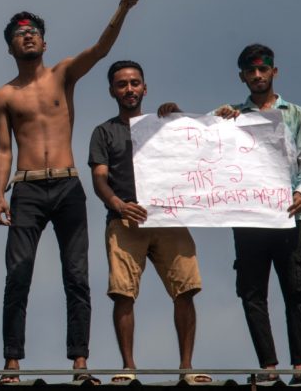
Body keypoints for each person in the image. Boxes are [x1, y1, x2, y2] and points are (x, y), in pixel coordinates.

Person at [0, 0, 139, 383]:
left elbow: (101, 49)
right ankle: (12, 364)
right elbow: (3, 148)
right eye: (20, 33)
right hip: (26, 188)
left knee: (76, 275)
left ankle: (80, 364)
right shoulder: (3, 95)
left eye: (34, 31)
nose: (28, 36)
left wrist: (122, 9)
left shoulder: (63, 74)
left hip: (68, 185)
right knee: (18, 273)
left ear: (44, 40)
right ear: (10, 47)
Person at [207, 44, 301, 384]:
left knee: (295, 291)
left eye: (263, 69)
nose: (257, 75)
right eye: (250, 71)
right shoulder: (230, 115)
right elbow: (196, 142)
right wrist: (212, 119)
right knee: (253, 292)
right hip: (249, 219)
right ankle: (269, 368)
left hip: (287, 217)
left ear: (274, 71)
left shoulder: (297, 114)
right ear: (241, 76)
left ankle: (300, 369)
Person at [89, 60, 202, 384]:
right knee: (123, 293)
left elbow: (194, 154)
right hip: (124, 222)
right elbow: (99, 179)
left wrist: (179, 120)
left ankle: (187, 369)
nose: (129, 89)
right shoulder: (104, 132)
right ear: (112, 90)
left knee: (186, 289)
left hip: (169, 217)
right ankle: (128, 367)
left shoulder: (163, 123)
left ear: (144, 88)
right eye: (122, 84)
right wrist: (118, 205)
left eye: (134, 83)